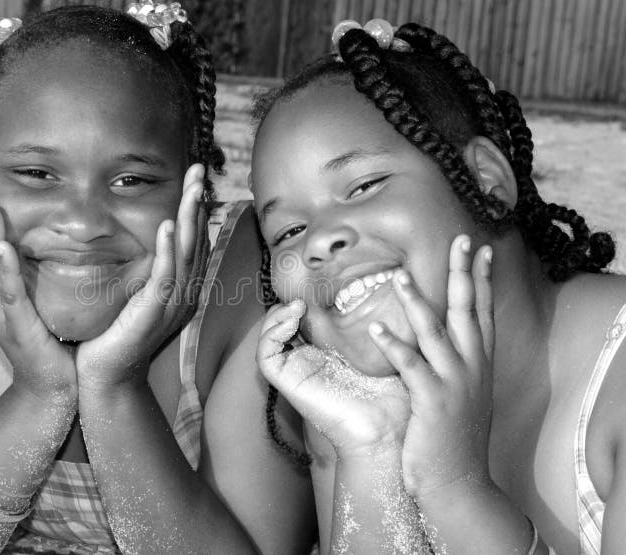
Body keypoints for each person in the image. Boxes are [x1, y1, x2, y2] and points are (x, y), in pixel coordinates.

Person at [0, 4, 316, 553]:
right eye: (37, 174)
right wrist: (39, 396)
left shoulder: (251, 283)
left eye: (132, 180)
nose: (83, 224)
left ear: (194, 194)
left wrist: (115, 387)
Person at [250, 18, 626, 555]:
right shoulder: (356, 406)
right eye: (287, 231)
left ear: (485, 179)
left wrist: (455, 490)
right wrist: (372, 453)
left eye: (363, 185)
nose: (318, 242)